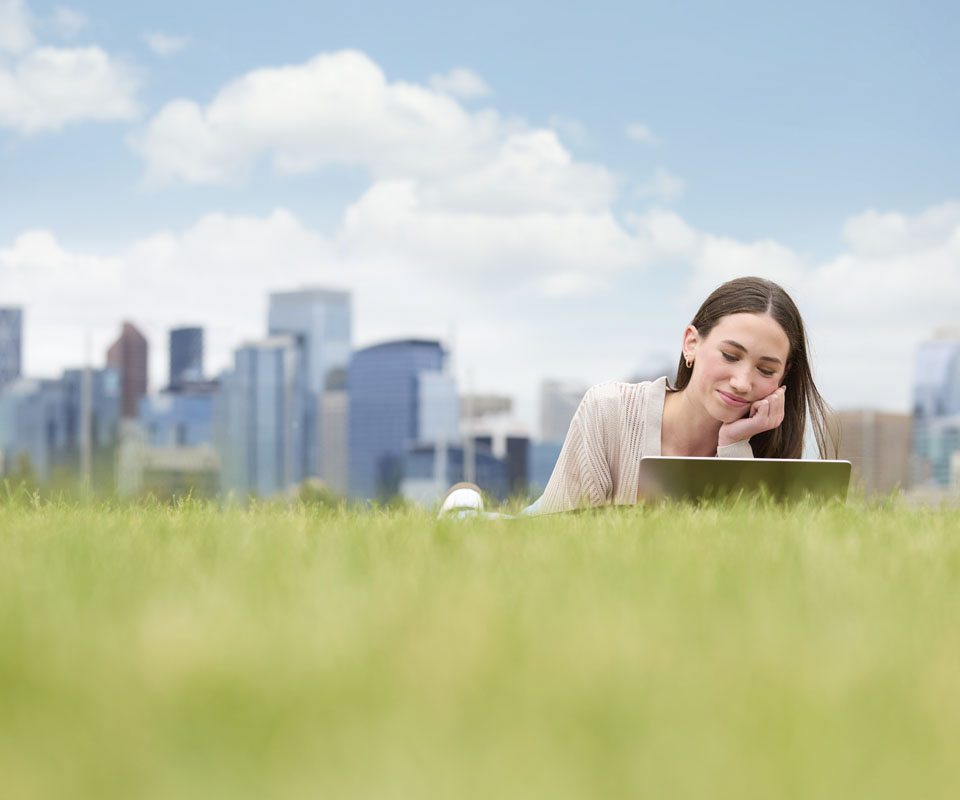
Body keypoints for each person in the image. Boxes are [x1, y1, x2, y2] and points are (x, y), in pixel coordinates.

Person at [439, 276, 835, 517]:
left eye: (766, 370)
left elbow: (749, 559)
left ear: (784, 378)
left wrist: (735, 448)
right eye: (730, 356)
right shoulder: (609, 409)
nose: (743, 382)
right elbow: (554, 542)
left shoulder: (770, 443)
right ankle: (465, 509)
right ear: (691, 344)